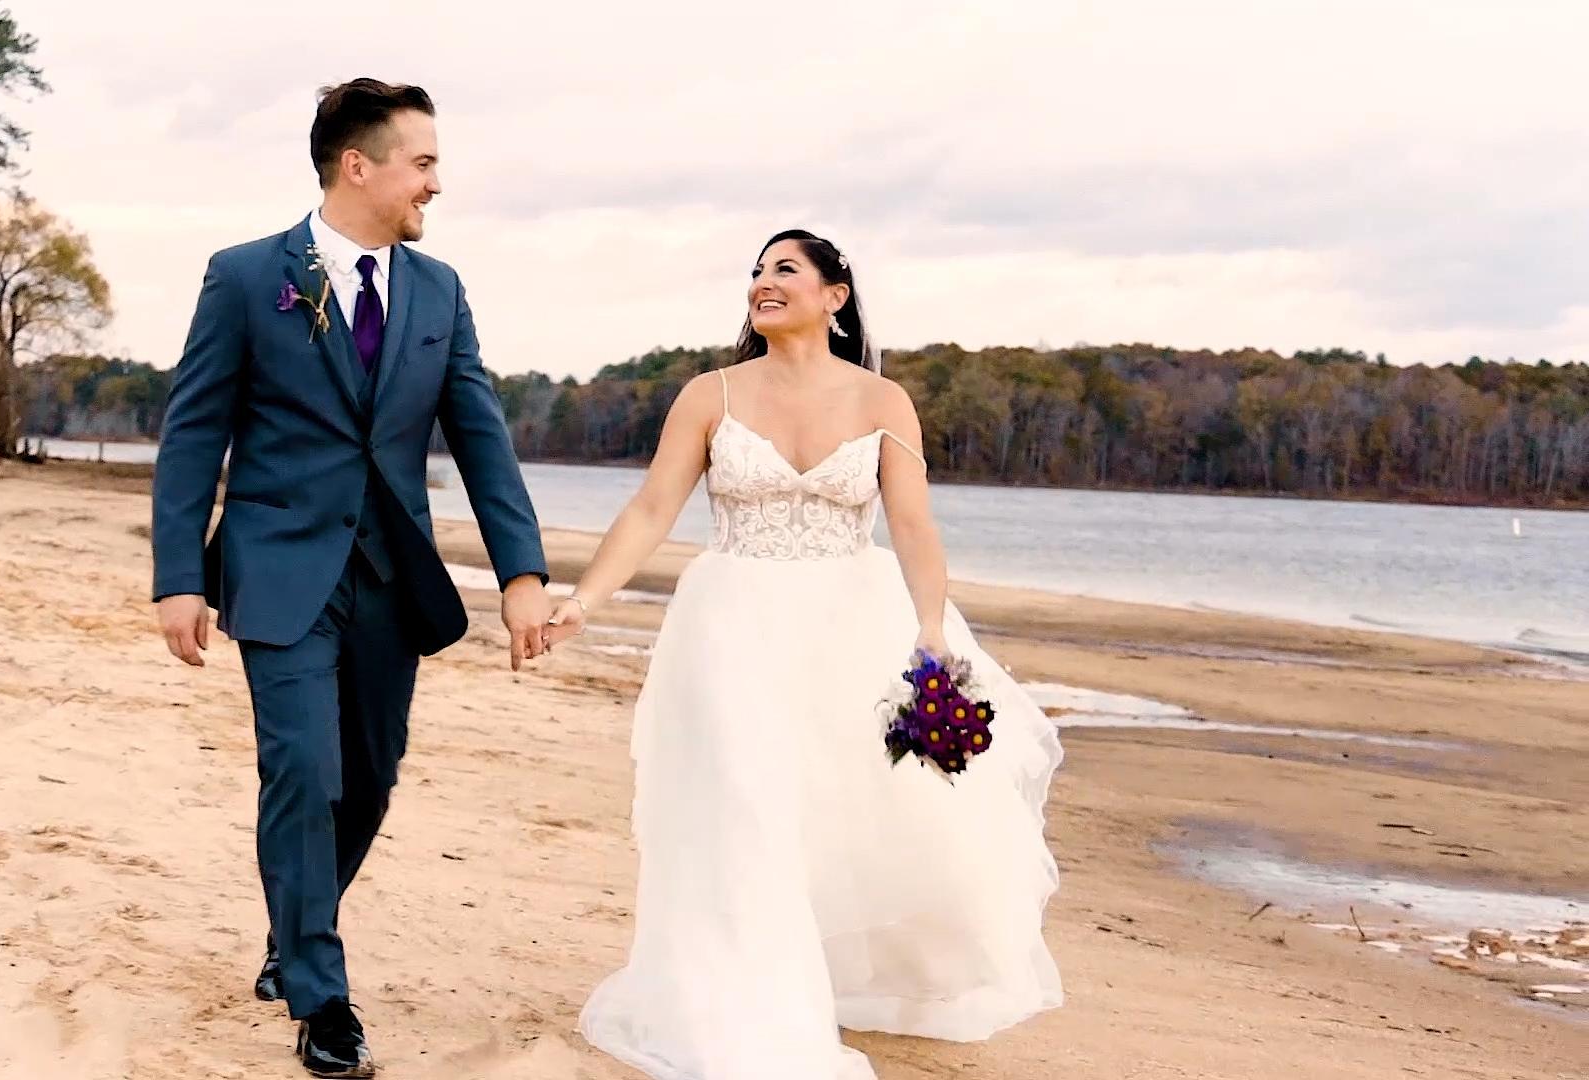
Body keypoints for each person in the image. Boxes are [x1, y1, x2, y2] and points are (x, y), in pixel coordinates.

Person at [548, 230, 1064, 1079]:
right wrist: (583, 600)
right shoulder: (709, 395)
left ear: (835, 296)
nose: (763, 282)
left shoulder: (884, 402)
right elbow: (651, 509)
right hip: (731, 621)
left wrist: (931, 630)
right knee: (742, 801)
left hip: (849, 621)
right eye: (756, 271)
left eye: (784, 269)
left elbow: (913, 525)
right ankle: (751, 1003)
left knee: (840, 805)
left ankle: (838, 972)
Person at [149, 78, 552, 1078]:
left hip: (389, 575)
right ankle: (322, 1002)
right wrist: (177, 575)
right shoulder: (247, 277)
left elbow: (481, 438)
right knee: (303, 768)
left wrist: (522, 573)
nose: (435, 185)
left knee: (368, 775)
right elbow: (194, 430)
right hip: (278, 566)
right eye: (424, 163)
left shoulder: (440, 291)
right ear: (357, 165)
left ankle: (293, 930)